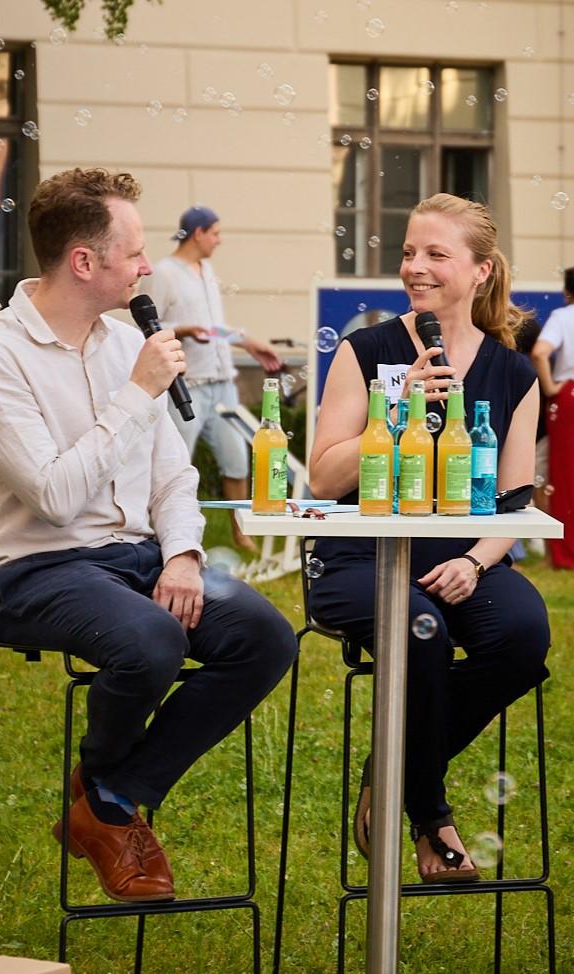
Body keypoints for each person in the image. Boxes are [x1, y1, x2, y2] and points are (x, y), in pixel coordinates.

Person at [0, 168, 297, 904]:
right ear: (85, 261)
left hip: (137, 556)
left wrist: (182, 554)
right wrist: (137, 395)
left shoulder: (123, 342)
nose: (147, 267)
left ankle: (108, 798)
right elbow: (52, 494)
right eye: (134, 252)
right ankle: (110, 808)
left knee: (264, 636)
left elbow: (173, 475)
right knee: (151, 639)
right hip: (36, 568)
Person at [307, 193, 550, 883]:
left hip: (460, 553)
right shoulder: (365, 351)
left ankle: (388, 769)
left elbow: (510, 503)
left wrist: (475, 563)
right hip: (361, 551)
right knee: (422, 631)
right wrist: (392, 408)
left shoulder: (510, 371)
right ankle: (430, 814)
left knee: (522, 634)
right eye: (409, 251)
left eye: (435, 254)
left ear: (479, 271)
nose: (414, 267)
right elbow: (324, 479)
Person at [145, 206, 284, 552]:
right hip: (187, 388)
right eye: (216, 233)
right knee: (173, 467)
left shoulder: (206, 270)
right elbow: (148, 326)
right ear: (198, 233)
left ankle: (240, 532)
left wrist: (249, 342)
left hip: (222, 386)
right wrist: (183, 330)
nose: (219, 240)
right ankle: (159, 534)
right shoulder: (163, 273)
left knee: (237, 460)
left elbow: (212, 327)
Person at [531, 266, 574, 568]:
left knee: (563, 475)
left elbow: (539, 352)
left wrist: (550, 388)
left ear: (566, 292)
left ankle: (562, 555)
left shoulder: (563, 316)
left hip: (569, 397)